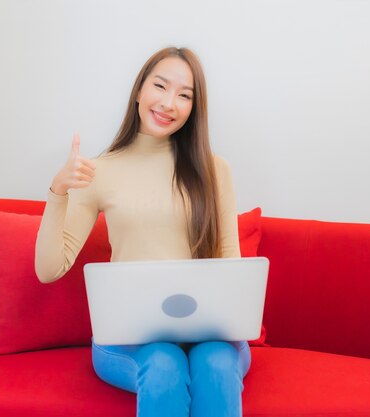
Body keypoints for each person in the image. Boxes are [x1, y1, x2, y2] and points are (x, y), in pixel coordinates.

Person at [35, 46, 251, 417]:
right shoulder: (99, 171)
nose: (169, 103)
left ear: (194, 109)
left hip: (208, 337)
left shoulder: (216, 170)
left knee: (215, 364)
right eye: (161, 86)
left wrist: (231, 320)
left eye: (185, 95)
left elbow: (230, 260)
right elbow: (49, 269)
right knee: (164, 364)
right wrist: (58, 193)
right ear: (139, 90)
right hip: (129, 340)